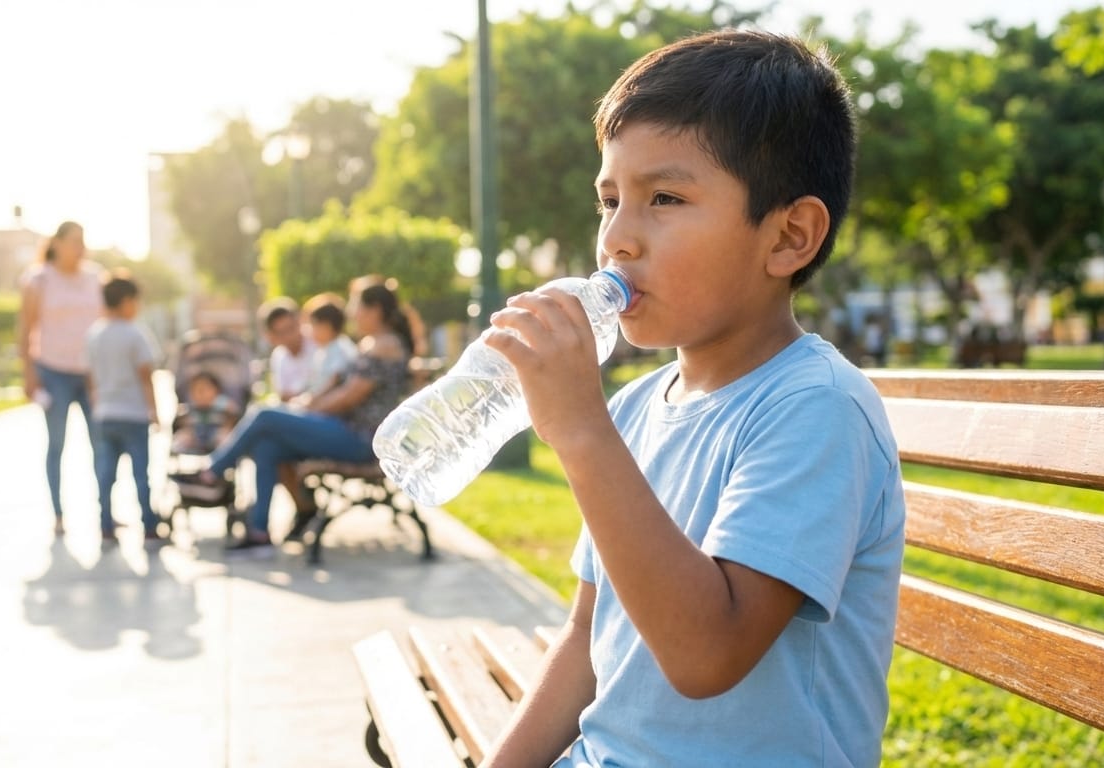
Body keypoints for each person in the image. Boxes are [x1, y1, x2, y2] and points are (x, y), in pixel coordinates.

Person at [478, 30, 905, 767]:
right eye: (609, 200)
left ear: (789, 237)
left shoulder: (817, 408)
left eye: (664, 198)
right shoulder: (640, 408)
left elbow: (708, 657)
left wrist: (580, 433)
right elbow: (586, 638)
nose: (617, 239)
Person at [182, 280, 414, 556]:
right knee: (267, 447)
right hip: (345, 431)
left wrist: (304, 412)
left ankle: (211, 472)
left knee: (265, 415)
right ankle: (259, 532)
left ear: (374, 310)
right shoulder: (371, 344)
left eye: (356, 306)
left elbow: (349, 397)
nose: (351, 313)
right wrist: (305, 408)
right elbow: (337, 388)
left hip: (362, 439)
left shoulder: (384, 345)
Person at [17, 221, 104, 535]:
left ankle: (104, 512)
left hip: (90, 374)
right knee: (57, 444)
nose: (81, 248)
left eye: (83, 241)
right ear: (57, 243)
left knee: (101, 443)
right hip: (52, 371)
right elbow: (26, 329)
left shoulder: (95, 277)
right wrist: (28, 373)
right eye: (75, 241)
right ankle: (58, 514)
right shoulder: (38, 280)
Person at [86, 273, 160, 543]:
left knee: (106, 475)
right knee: (141, 473)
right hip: (133, 414)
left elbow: (91, 376)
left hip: (105, 414)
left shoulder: (95, 334)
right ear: (127, 301)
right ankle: (149, 525)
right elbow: (146, 376)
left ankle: (105, 525)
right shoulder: (135, 333)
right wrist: (155, 411)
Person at [260, 297, 317, 402]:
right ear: (272, 336)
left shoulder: (318, 341)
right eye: (282, 333)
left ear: (299, 322)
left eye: (291, 328)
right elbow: (283, 395)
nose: (289, 336)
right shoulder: (278, 355)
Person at [301, 293, 360, 395]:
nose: (309, 330)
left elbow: (334, 380)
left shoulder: (342, 348)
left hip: (327, 407)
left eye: (313, 325)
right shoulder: (323, 349)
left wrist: (310, 401)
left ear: (326, 326)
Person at [170, 370, 240, 454]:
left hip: (216, 435)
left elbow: (235, 419)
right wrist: (184, 422)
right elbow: (179, 423)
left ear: (216, 390)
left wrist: (229, 417)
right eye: (197, 390)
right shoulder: (189, 407)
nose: (201, 394)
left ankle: (225, 460)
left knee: (226, 440)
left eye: (205, 390)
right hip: (195, 437)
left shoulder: (223, 405)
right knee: (180, 439)